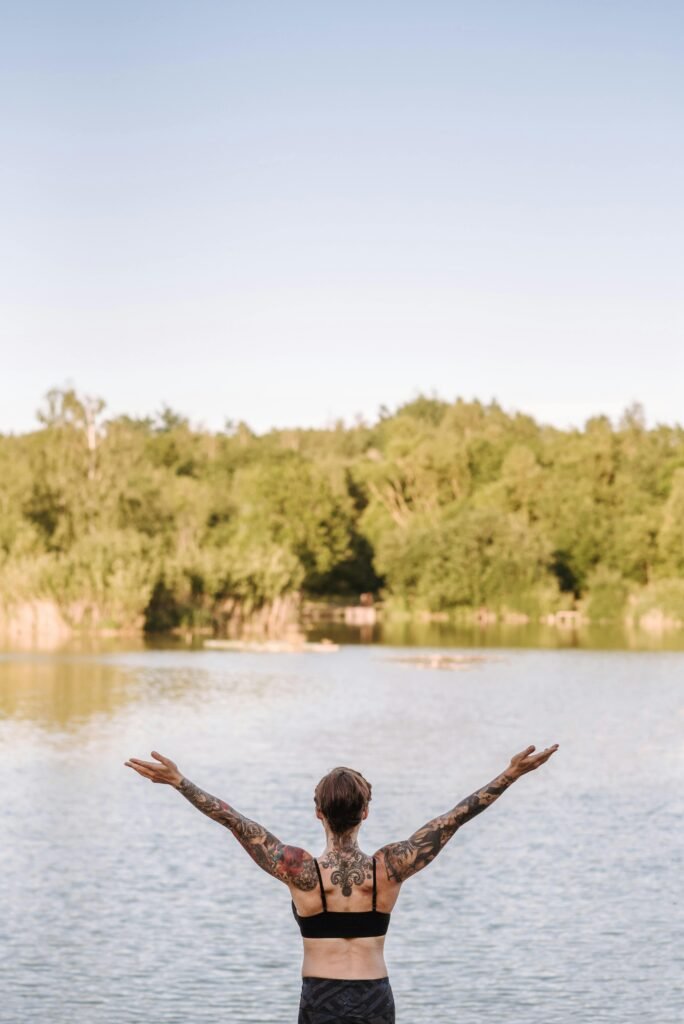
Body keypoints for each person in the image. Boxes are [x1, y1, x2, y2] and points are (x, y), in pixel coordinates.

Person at [125, 742, 559, 1023]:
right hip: (374, 997)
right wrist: (509, 775)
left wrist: (181, 782)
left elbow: (234, 821)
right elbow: (456, 818)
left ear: (318, 813)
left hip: (320, 996)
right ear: (365, 812)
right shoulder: (390, 867)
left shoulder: (297, 868)